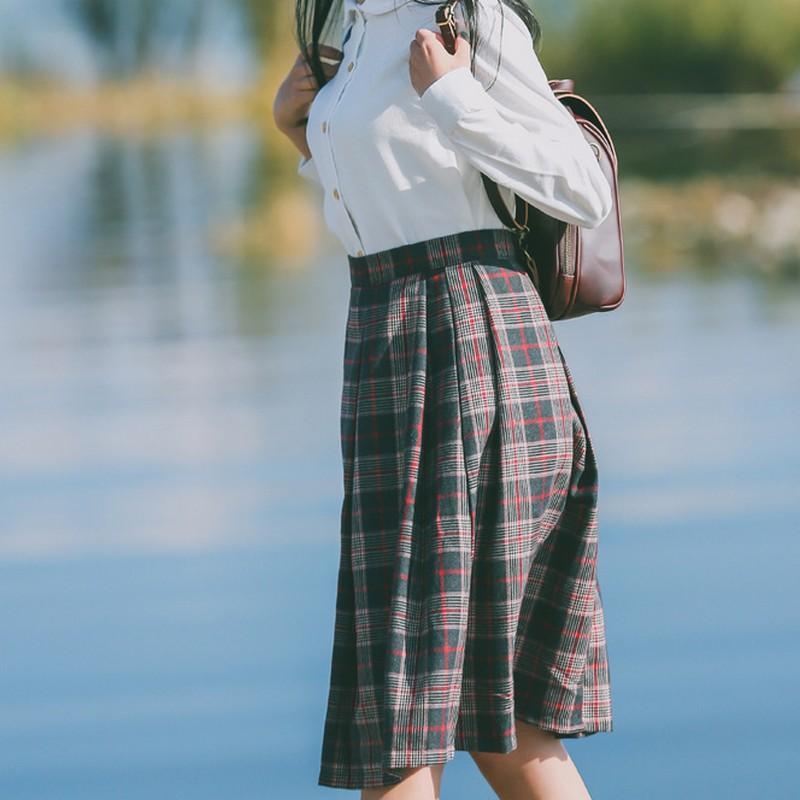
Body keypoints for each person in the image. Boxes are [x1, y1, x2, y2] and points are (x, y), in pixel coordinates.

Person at [273, 1, 614, 797]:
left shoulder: (472, 18)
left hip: (467, 339)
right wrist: (304, 130)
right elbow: (405, 195)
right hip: (393, 340)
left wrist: (455, 95)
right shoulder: (353, 29)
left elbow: (584, 186)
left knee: (401, 720)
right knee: (485, 711)